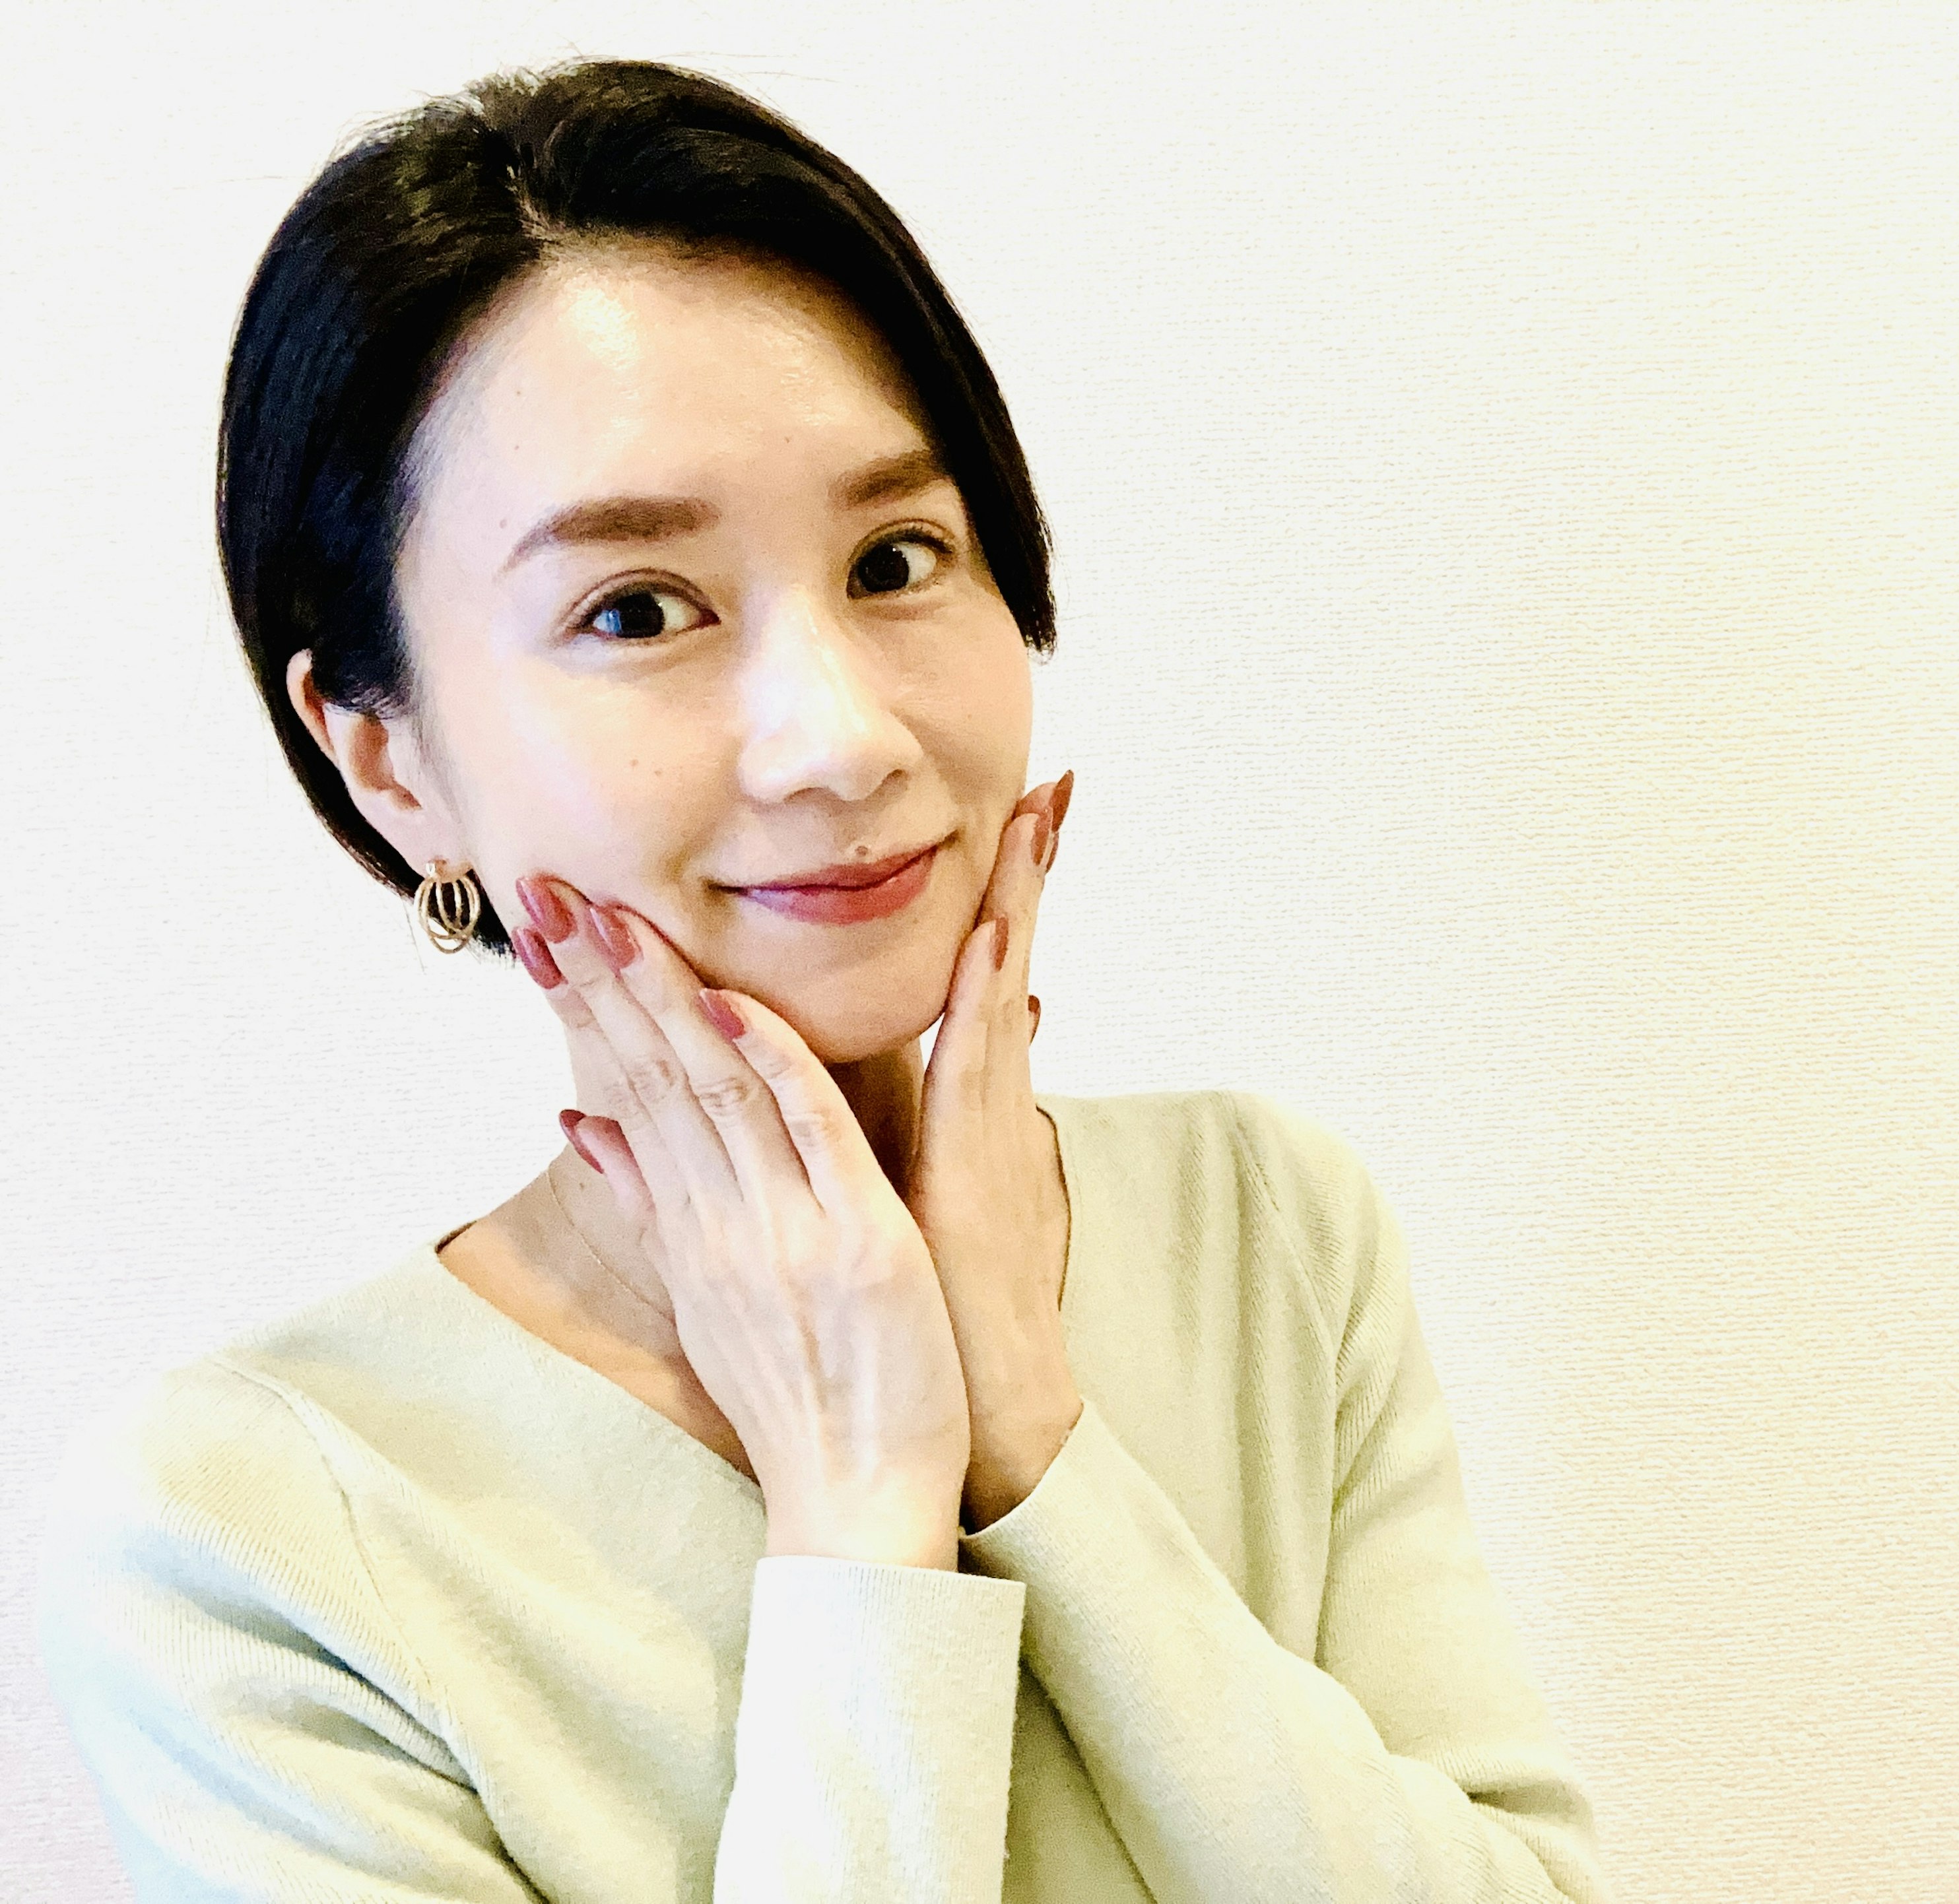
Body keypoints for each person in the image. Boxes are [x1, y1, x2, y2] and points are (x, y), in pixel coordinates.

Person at [34, 56, 1610, 1903]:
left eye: (896, 558)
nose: (840, 739)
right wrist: (865, 1510)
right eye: (635, 609)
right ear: (385, 754)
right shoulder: (250, 1533)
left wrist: (1039, 1439)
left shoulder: (1269, 1231)